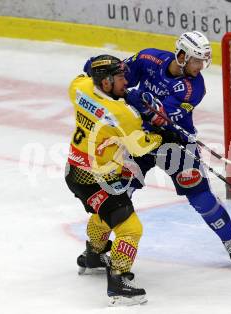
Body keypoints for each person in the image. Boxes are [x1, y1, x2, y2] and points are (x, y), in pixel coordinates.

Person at [84, 31, 231, 262]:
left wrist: (135, 98)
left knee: (200, 195)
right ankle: (94, 249)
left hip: (175, 144)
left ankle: (230, 238)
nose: (201, 66)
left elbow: (159, 117)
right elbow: (119, 81)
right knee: (116, 194)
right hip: (140, 141)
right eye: (196, 60)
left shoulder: (194, 88)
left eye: (203, 60)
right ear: (181, 55)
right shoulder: (148, 59)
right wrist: (101, 70)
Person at [65, 54, 163, 306]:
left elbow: (84, 75)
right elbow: (141, 147)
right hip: (98, 179)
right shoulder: (123, 115)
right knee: (130, 229)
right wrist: (161, 132)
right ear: (106, 81)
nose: (126, 81)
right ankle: (118, 282)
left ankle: (94, 255)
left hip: (75, 172)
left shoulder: (79, 88)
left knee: (104, 215)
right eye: (120, 77)